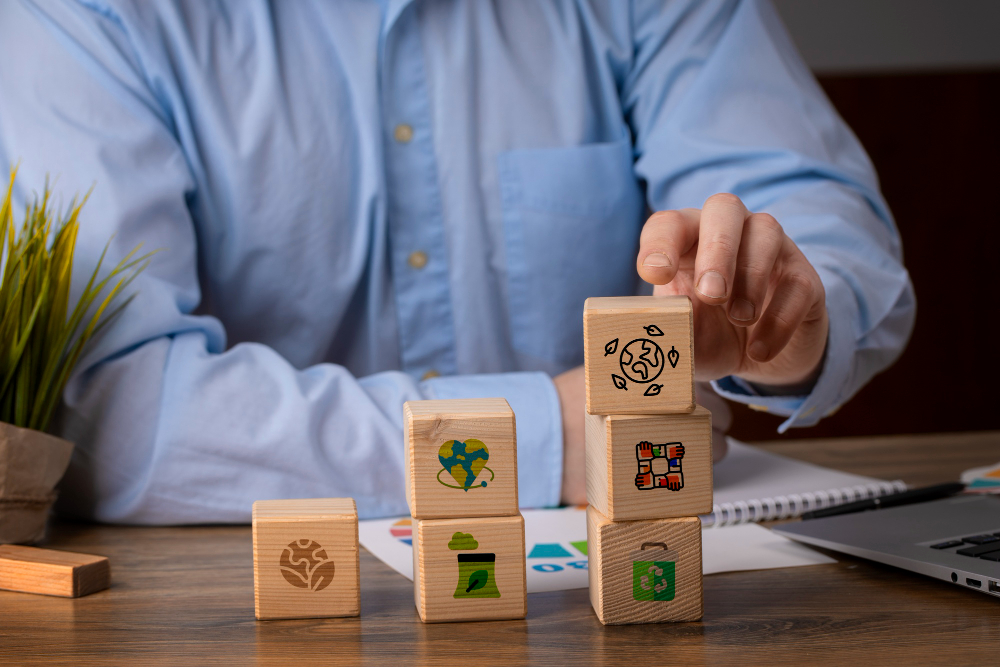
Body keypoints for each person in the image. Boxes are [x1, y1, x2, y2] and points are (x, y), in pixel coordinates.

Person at [0, 0, 914, 524]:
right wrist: (546, 441)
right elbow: (115, 411)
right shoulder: (80, 16)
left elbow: (825, 231)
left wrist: (787, 322)